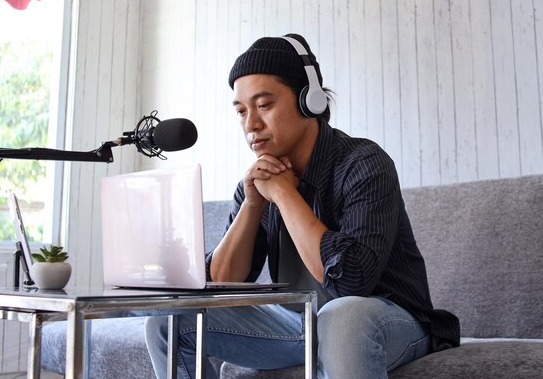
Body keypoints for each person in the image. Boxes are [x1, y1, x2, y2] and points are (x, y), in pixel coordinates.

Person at [145, 33, 460, 379]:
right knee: (169, 319)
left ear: (309, 101)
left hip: (386, 318)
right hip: (301, 320)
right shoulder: (256, 183)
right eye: (241, 111)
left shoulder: (364, 163)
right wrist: (253, 205)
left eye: (264, 105)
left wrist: (284, 195)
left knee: (342, 318)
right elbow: (220, 286)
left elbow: (351, 283)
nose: (250, 124)